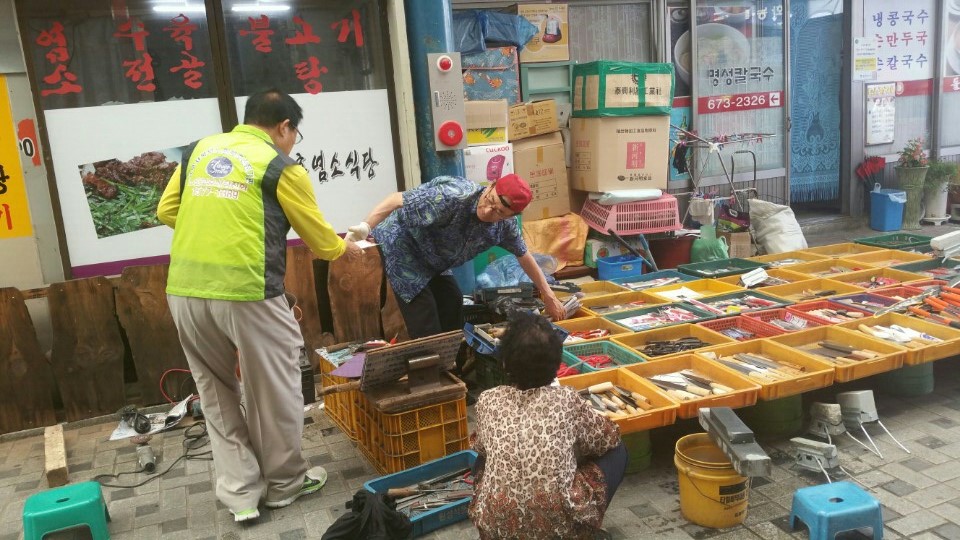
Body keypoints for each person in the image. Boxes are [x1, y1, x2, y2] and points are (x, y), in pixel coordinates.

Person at [157, 88, 361, 522]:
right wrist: (349, 246)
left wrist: (213, 227)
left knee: (214, 391)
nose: (293, 142)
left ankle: (241, 496)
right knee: (275, 389)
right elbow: (323, 244)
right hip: (248, 293)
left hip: (185, 290)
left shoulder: (197, 151)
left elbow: (167, 211)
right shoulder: (281, 167)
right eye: (295, 133)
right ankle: (284, 484)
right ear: (284, 126)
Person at [468, 311, 627, 539]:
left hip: (497, 529)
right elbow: (607, 439)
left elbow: (480, 446)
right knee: (618, 451)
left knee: (483, 457)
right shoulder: (567, 399)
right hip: (562, 530)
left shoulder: (487, 400)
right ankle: (585, 531)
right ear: (556, 363)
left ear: (504, 362)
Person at [345, 174, 565, 339]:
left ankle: (451, 370)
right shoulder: (453, 196)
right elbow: (395, 200)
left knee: (452, 302)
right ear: (491, 186)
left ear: (510, 216)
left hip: (437, 258)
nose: (488, 210)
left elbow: (524, 256)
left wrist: (549, 296)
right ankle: (430, 376)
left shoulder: (504, 227)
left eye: (499, 212)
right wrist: (365, 227)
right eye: (490, 201)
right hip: (404, 245)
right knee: (425, 318)